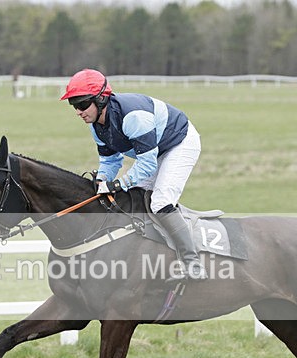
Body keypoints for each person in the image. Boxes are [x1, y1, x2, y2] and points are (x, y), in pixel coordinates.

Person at [60, 68, 207, 281]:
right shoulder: (96, 126)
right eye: (74, 106)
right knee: (136, 200)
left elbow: (146, 165)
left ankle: (192, 263)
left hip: (179, 143)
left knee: (160, 203)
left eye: (82, 104)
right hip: (154, 151)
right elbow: (110, 160)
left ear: (101, 99)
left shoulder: (133, 116)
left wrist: (119, 184)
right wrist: (102, 180)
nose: (78, 111)